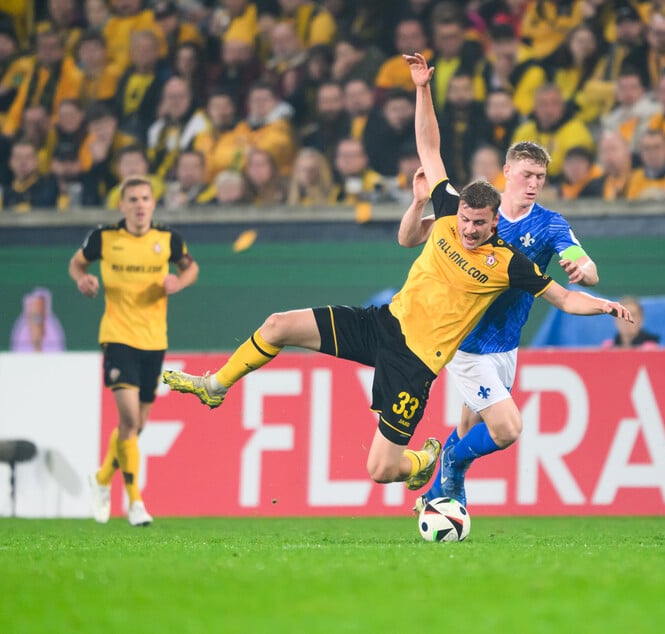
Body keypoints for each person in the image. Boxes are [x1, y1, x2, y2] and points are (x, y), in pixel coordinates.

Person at [160, 82, 631, 498]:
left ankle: (425, 463)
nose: (467, 229)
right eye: (463, 219)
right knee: (278, 325)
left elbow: (565, 298)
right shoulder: (446, 211)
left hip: (416, 364)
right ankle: (215, 386)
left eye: (477, 224)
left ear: (494, 226)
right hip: (383, 323)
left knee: (381, 469)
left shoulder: (510, 263)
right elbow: (429, 145)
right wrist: (422, 88)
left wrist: (605, 305)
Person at [400, 52, 602, 510]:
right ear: (507, 172)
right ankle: (446, 470)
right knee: (502, 429)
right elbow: (429, 154)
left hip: (505, 345)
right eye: (527, 174)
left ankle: (433, 495)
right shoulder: (473, 212)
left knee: (471, 424)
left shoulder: (549, 225)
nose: (534, 184)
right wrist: (423, 89)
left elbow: (582, 262)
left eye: (541, 177)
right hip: (464, 342)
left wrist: (583, 270)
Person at [69, 176, 199, 526]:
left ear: (153, 205)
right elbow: (76, 263)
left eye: (145, 198)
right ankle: (135, 502)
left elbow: (191, 268)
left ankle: (99, 481)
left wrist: (178, 282)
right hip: (117, 337)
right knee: (128, 418)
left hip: (154, 341)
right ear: (122, 205)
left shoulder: (168, 240)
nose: (140, 205)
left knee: (136, 426)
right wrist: (82, 279)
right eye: (133, 199)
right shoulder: (104, 238)